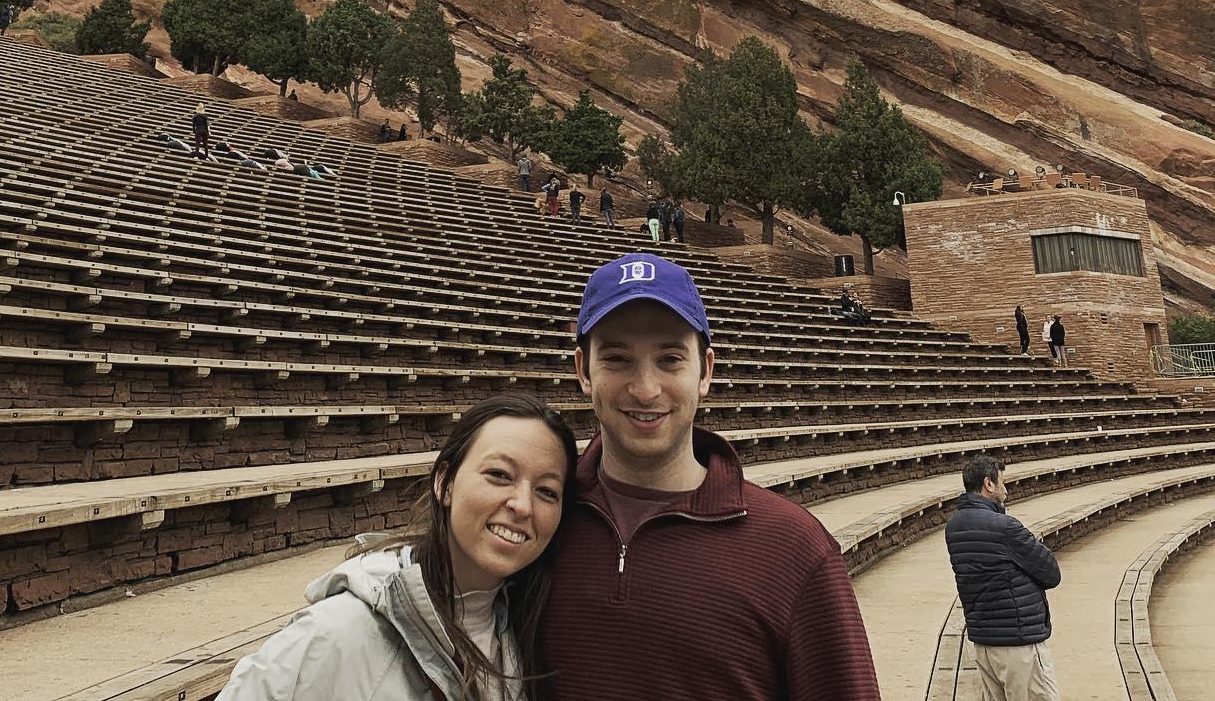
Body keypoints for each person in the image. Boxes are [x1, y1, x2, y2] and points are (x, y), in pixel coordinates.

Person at [540, 254, 879, 699]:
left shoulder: (794, 548)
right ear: (584, 371)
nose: (645, 389)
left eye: (670, 359)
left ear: (706, 371)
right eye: (618, 359)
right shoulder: (539, 526)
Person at [216, 393, 578, 701]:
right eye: (499, 475)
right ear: (445, 483)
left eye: (546, 491)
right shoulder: (339, 631)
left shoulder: (523, 632)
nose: (523, 505)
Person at [945, 455, 1061, 700]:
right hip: (1018, 641)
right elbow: (1051, 573)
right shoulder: (1005, 527)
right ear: (988, 484)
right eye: (1003, 483)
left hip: (985, 642)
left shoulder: (954, 526)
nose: (1006, 491)